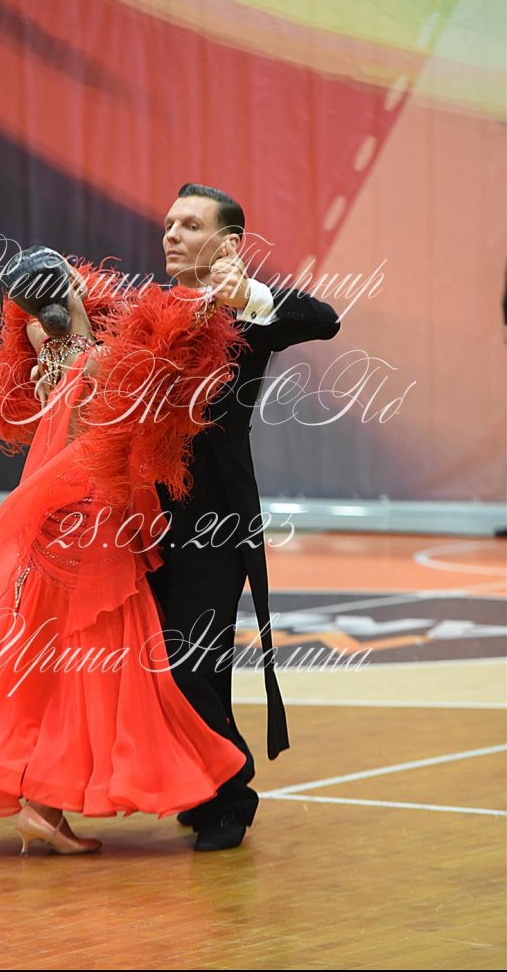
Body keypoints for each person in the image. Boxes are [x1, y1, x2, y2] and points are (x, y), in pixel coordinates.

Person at [0, 251, 251, 856]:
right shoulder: (101, 358)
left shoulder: (47, 344)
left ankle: (45, 808)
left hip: (58, 524)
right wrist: (215, 299)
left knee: (54, 661)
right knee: (95, 663)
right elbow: (167, 348)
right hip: (94, 523)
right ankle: (47, 806)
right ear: (74, 290)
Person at [146, 183, 342, 851]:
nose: (172, 234)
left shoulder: (248, 315)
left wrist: (249, 295)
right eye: (169, 224)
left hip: (213, 517)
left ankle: (231, 796)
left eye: (189, 225)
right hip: (138, 512)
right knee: (156, 657)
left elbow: (324, 319)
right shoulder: (149, 312)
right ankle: (204, 788)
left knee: (191, 659)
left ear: (228, 243)